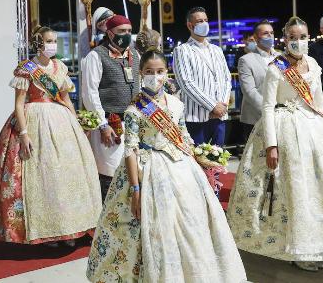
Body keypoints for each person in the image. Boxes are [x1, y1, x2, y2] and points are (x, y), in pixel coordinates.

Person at [86, 49, 247, 282]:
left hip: (181, 167)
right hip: (148, 168)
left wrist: (201, 156)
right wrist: (135, 189)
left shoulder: (175, 103)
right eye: (149, 72)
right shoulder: (134, 109)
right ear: (141, 74)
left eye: (160, 71)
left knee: (191, 222)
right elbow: (130, 150)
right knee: (156, 227)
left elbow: (183, 136)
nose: (155, 76)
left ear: (166, 72)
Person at [227, 17, 323, 272]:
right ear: (285, 39)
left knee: (316, 191)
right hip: (284, 128)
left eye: (302, 37)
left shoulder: (312, 64)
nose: (298, 42)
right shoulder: (275, 67)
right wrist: (271, 144)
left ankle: (316, 242)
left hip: (312, 127)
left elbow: (318, 102)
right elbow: (268, 105)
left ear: (308, 38)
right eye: (293, 38)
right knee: (291, 191)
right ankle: (294, 247)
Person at [0, 26, 102, 247]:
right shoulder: (26, 68)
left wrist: (76, 124)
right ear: (38, 43)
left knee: (64, 176)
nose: (52, 44)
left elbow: (65, 99)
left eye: (54, 40)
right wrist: (24, 133)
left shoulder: (61, 67)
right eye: (48, 41)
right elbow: (19, 103)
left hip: (61, 122)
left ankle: (69, 228)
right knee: (42, 176)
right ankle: (47, 230)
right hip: (34, 119)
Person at [81, 15, 141, 201]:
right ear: (109, 33)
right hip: (110, 124)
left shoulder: (135, 55)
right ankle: (106, 220)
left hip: (133, 123)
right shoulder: (96, 56)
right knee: (110, 173)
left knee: (135, 172)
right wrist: (102, 124)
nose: (126, 35)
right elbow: (90, 93)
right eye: (121, 31)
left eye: (129, 31)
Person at [173, 6, 231, 146]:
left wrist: (221, 105)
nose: (204, 24)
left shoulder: (217, 50)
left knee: (219, 163)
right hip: (196, 117)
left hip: (220, 116)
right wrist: (212, 106)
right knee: (198, 163)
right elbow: (186, 83)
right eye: (199, 21)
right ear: (190, 25)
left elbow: (227, 79)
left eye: (206, 20)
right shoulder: (182, 50)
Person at [239, 20, 279, 141]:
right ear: (256, 38)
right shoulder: (246, 60)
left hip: (280, 116)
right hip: (256, 117)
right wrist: (269, 109)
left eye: (271, 33)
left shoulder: (281, 57)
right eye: (265, 33)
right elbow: (249, 91)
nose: (270, 36)